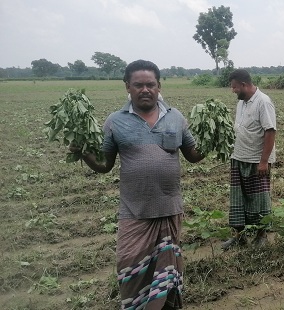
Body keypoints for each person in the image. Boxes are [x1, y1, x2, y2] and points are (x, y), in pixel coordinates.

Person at [71, 59, 204, 309]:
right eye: (138, 85)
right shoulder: (115, 121)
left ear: (159, 86)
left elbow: (193, 155)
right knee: (130, 266)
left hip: (169, 210)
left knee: (167, 274)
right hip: (134, 212)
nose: (145, 89)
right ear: (127, 87)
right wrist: (84, 153)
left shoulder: (176, 117)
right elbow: (104, 165)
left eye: (150, 84)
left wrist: (212, 141)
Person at [221, 69, 277, 250]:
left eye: (235, 87)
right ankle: (240, 236)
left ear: (244, 85)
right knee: (238, 199)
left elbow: (270, 131)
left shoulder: (263, 102)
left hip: (256, 160)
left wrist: (264, 161)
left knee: (259, 199)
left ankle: (261, 236)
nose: (233, 90)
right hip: (238, 157)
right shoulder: (242, 103)